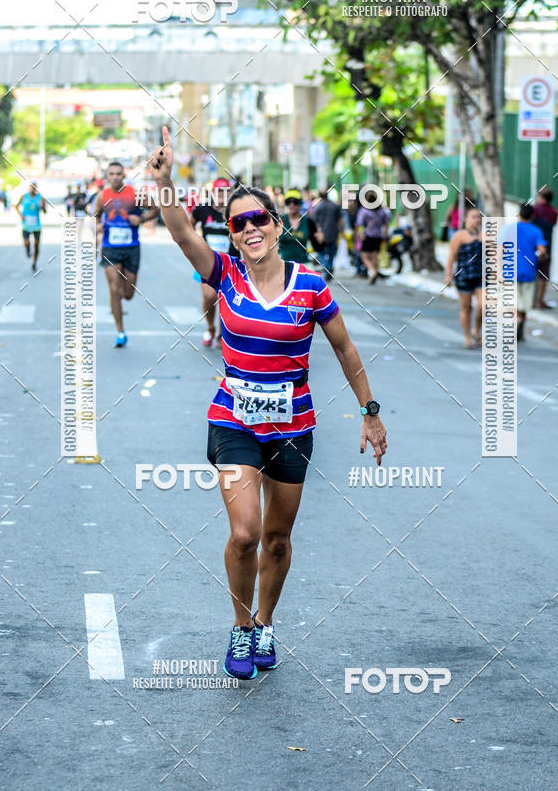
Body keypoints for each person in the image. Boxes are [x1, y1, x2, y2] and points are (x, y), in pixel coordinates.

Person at [150, 126, 387, 681]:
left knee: (278, 540)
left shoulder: (310, 285)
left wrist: (370, 412)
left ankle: (265, 622)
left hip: (293, 427)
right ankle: (239, 627)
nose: (251, 228)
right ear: (231, 235)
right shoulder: (224, 274)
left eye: (261, 219)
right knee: (245, 533)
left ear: (277, 227)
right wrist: (163, 185)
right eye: (240, 223)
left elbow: (345, 347)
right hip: (233, 420)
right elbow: (183, 233)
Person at [93, 160, 160, 347]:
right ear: (107, 176)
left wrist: (141, 218)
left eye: (118, 174)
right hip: (110, 248)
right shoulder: (102, 196)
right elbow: (96, 215)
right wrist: (97, 225)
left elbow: (156, 209)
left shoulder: (135, 193)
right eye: (111, 174)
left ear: (124, 175)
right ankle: (120, 332)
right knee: (114, 289)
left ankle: (122, 295)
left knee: (128, 294)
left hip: (131, 248)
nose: (115, 177)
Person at [190, 177, 238, 347]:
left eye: (225, 192)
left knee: (225, 299)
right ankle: (210, 327)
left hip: (230, 262)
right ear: (213, 192)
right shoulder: (203, 209)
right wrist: (195, 245)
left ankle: (221, 334)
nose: (222, 195)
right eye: (219, 191)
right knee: (209, 296)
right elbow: (189, 227)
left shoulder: (234, 212)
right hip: (206, 261)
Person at [502, 203, 547, 341]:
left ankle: (514, 323)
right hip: (528, 271)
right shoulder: (536, 231)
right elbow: (542, 250)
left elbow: (500, 249)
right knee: (524, 303)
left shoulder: (509, 229)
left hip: (509, 271)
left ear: (519, 213)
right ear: (532, 215)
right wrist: (541, 257)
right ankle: (520, 326)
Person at [445, 207, 484, 348]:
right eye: (473, 217)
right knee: (466, 307)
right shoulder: (459, 236)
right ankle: (467, 337)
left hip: (481, 275)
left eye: (479, 217)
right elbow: (451, 256)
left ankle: (476, 330)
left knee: (483, 305)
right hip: (464, 275)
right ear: (466, 219)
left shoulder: (485, 235)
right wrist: (448, 274)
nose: (477, 220)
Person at [309, 187, 344, 282]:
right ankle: (329, 266)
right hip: (333, 233)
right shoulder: (334, 206)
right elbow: (340, 220)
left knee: (321, 253)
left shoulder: (317, 207)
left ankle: (327, 267)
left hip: (321, 234)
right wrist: (342, 231)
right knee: (332, 253)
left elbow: (313, 221)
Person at [532, 187, 558, 308]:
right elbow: (553, 224)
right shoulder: (554, 212)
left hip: (532, 244)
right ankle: (539, 300)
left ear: (540, 197)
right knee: (543, 275)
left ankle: (529, 300)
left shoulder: (534, 209)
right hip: (547, 245)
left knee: (530, 272)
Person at [355, 194, 390, 284]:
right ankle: (373, 272)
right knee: (375, 255)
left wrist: (358, 234)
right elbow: (386, 223)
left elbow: (359, 223)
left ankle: (373, 272)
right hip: (378, 236)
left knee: (364, 256)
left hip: (368, 235)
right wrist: (385, 233)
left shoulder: (364, 210)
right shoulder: (382, 211)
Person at [16, 182, 46, 272]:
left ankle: (34, 263)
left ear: (36, 189)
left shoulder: (41, 198)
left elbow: (45, 211)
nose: (32, 189)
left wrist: (42, 206)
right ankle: (28, 250)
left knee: (36, 244)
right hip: (26, 224)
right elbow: (16, 206)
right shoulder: (23, 196)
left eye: (34, 188)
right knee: (27, 242)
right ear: (29, 188)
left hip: (36, 225)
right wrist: (20, 215)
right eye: (31, 187)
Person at [278, 189, 310, 263]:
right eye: (288, 202)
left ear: (300, 203)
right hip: (284, 265)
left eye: (295, 202)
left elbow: (318, 244)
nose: (291, 205)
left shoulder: (307, 221)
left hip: (303, 264)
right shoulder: (280, 221)